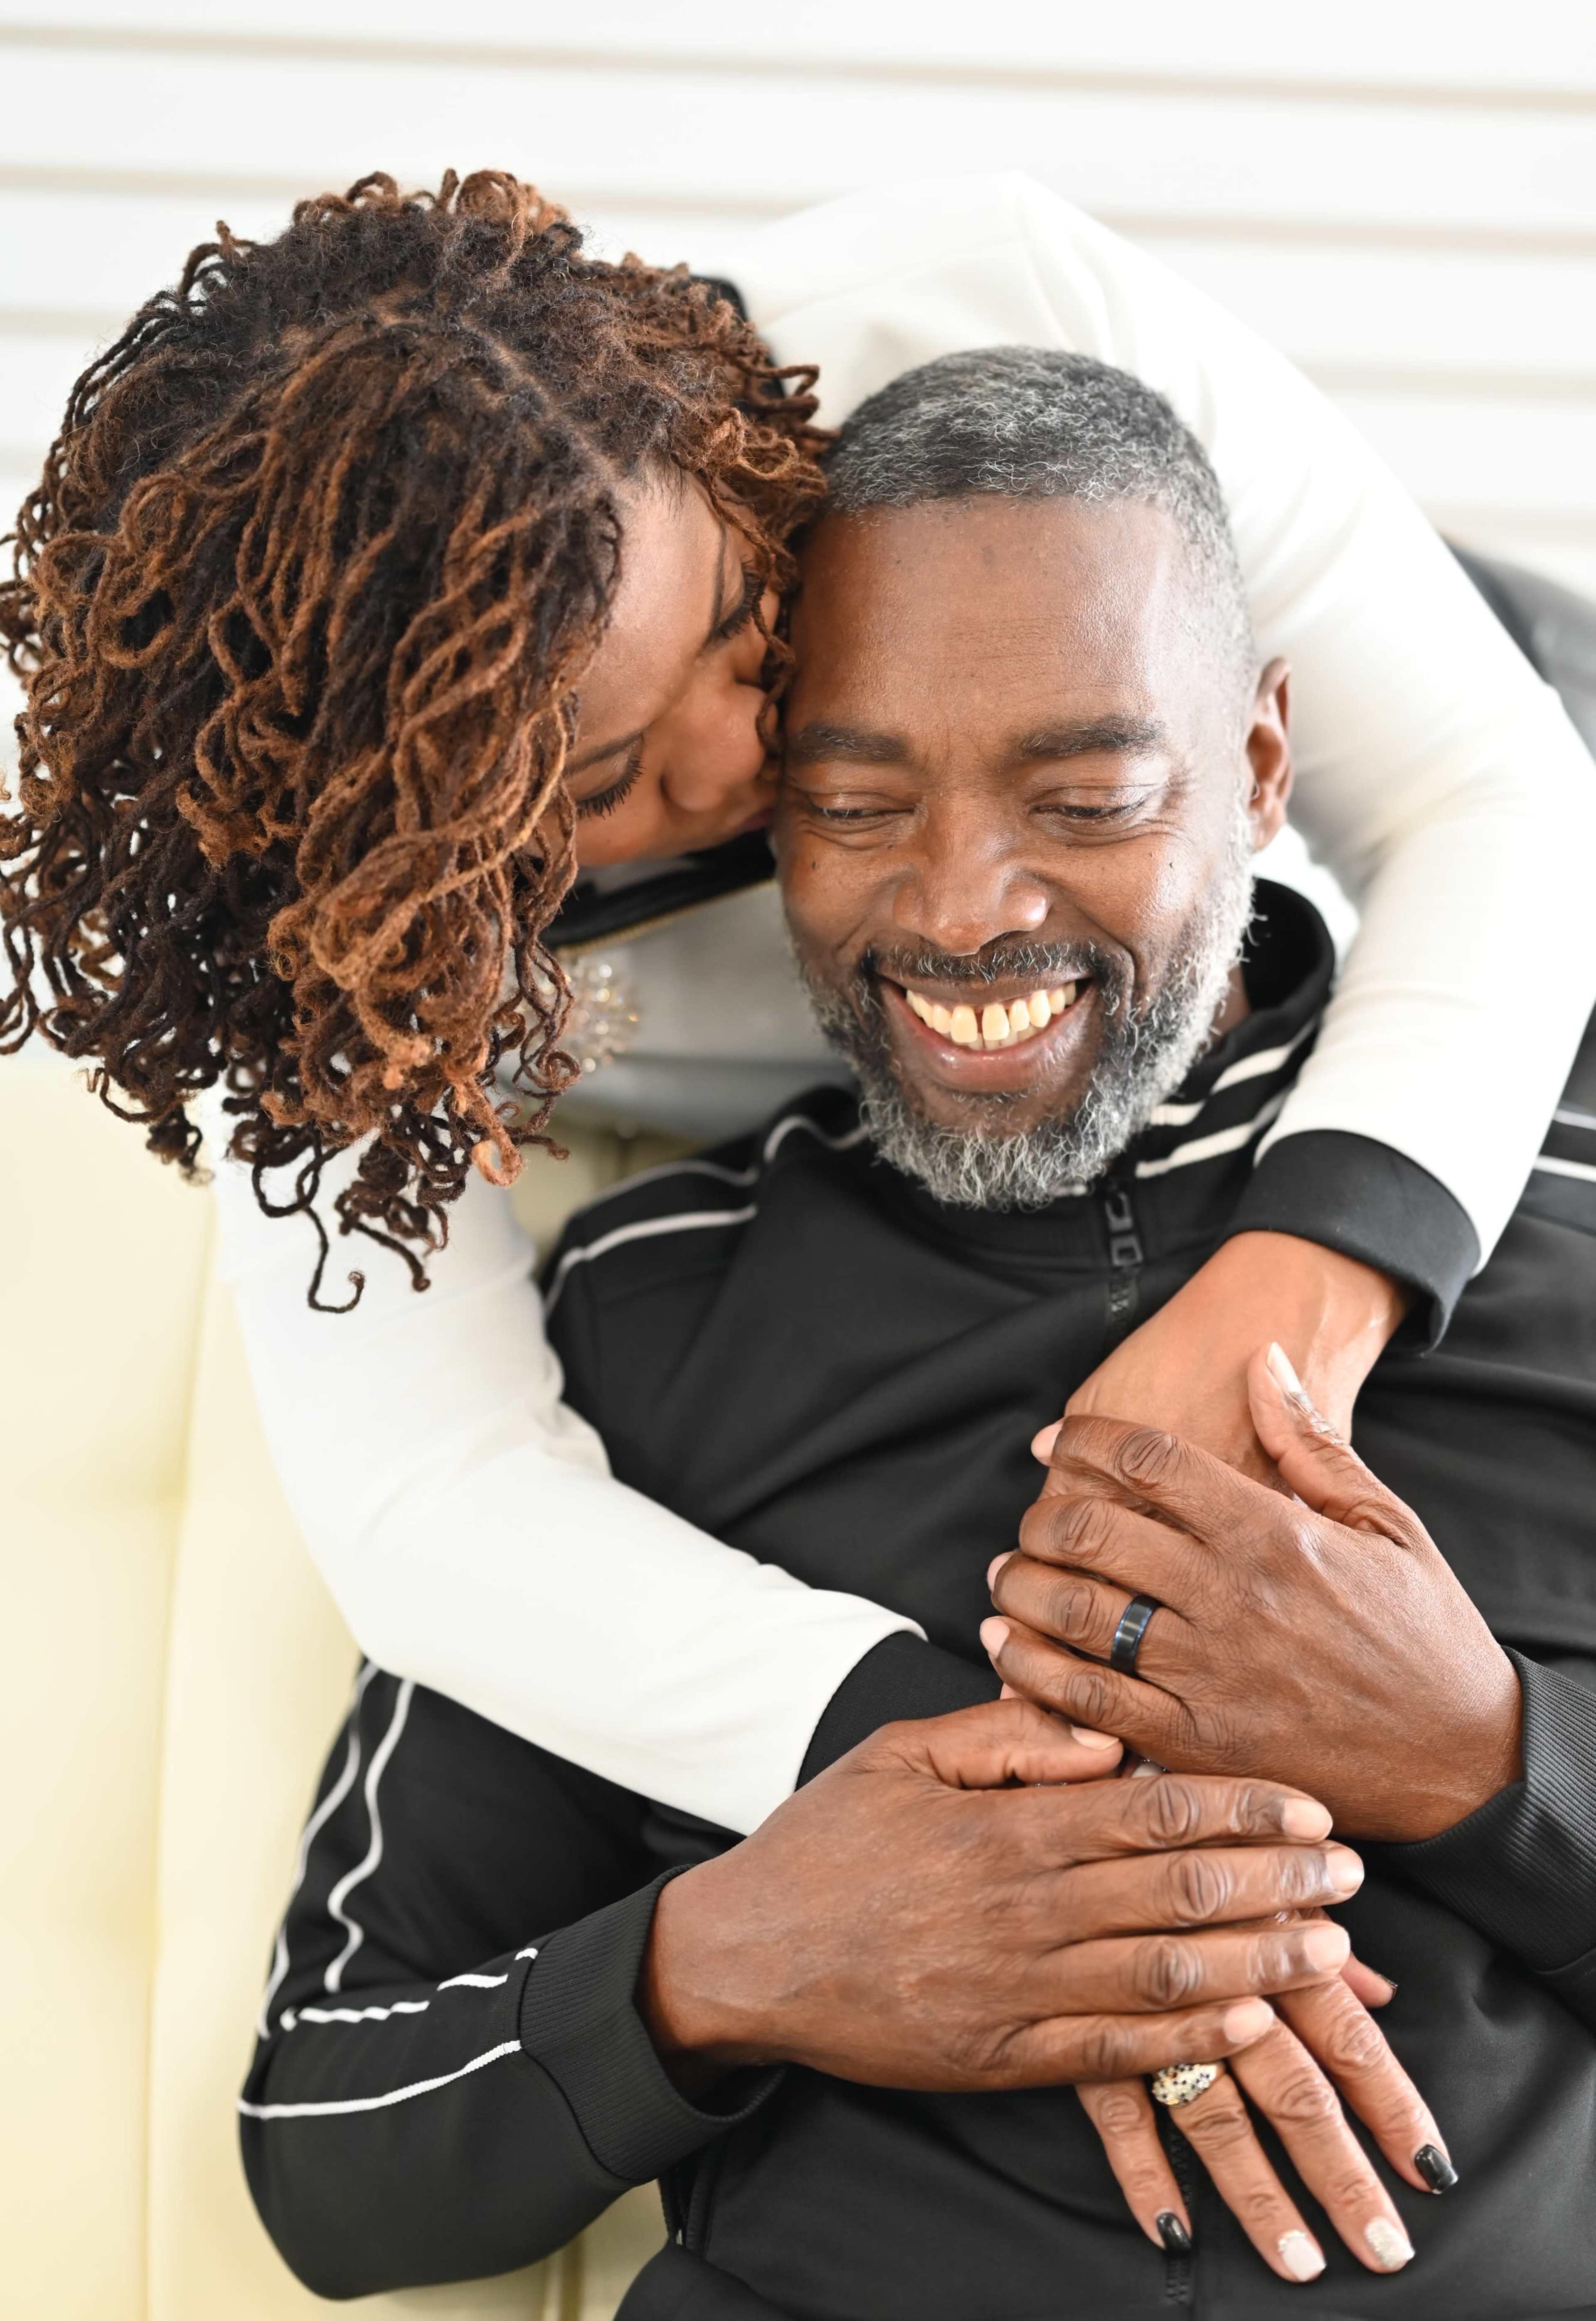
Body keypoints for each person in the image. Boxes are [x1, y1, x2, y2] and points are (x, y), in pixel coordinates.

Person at [243, 355, 1596, 2316]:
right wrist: (730, 1961)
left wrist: (1486, 1758)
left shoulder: (1561, 1202)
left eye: (1087, 796)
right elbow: (328, 2160)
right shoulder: (638, 1325)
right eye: (857, 802)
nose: (966, 911)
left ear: (1263, 767)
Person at [8, 170, 1576, 1849]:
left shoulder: (994, 295)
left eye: (746, 618)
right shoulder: (317, 913)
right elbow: (427, 1498)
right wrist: (954, 1767)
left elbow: (1491, 796)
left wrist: (1304, 1289)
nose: (757, 750)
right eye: (604, 776)